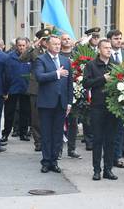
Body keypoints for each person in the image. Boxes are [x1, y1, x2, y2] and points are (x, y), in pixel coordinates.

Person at [34, 35, 73, 173]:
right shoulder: (41, 59)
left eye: (59, 44)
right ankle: (46, 161)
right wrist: (56, 73)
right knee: (46, 133)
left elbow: (69, 84)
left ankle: (54, 161)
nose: (58, 46)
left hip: (61, 103)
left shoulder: (65, 60)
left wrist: (69, 102)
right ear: (48, 45)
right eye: (55, 44)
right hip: (46, 103)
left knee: (57, 134)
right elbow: (39, 77)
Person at [84, 39, 118, 180]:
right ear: (99, 49)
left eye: (110, 48)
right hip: (97, 106)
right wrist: (102, 79)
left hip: (112, 107)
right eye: (105, 48)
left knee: (110, 140)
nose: (108, 50)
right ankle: (96, 170)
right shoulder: (91, 65)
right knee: (97, 139)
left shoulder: (115, 65)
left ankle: (108, 169)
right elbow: (86, 83)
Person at [20, 28, 51, 151]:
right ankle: (38, 141)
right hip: (36, 88)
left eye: (48, 39)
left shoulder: (52, 51)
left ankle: (48, 139)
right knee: (36, 117)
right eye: (44, 39)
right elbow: (22, 59)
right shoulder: (34, 51)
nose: (46, 41)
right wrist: (32, 46)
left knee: (48, 115)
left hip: (49, 87)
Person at [107, 29, 124, 167]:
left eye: (120, 38)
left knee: (120, 129)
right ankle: (109, 156)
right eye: (116, 38)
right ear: (110, 40)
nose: (119, 41)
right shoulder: (104, 54)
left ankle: (117, 156)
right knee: (109, 130)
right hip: (108, 96)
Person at [1, 37, 31, 142]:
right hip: (12, 89)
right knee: (9, 112)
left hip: (25, 89)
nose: (21, 47)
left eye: (23, 45)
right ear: (16, 46)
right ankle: (5, 133)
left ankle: (23, 133)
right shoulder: (9, 57)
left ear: (26, 46)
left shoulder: (30, 57)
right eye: (20, 45)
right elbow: (5, 74)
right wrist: (5, 90)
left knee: (25, 112)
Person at [60, 34, 81, 159]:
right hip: (61, 92)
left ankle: (72, 149)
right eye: (64, 39)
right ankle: (58, 149)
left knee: (73, 122)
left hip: (75, 92)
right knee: (59, 122)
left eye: (68, 38)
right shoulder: (58, 55)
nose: (67, 40)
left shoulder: (77, 55)